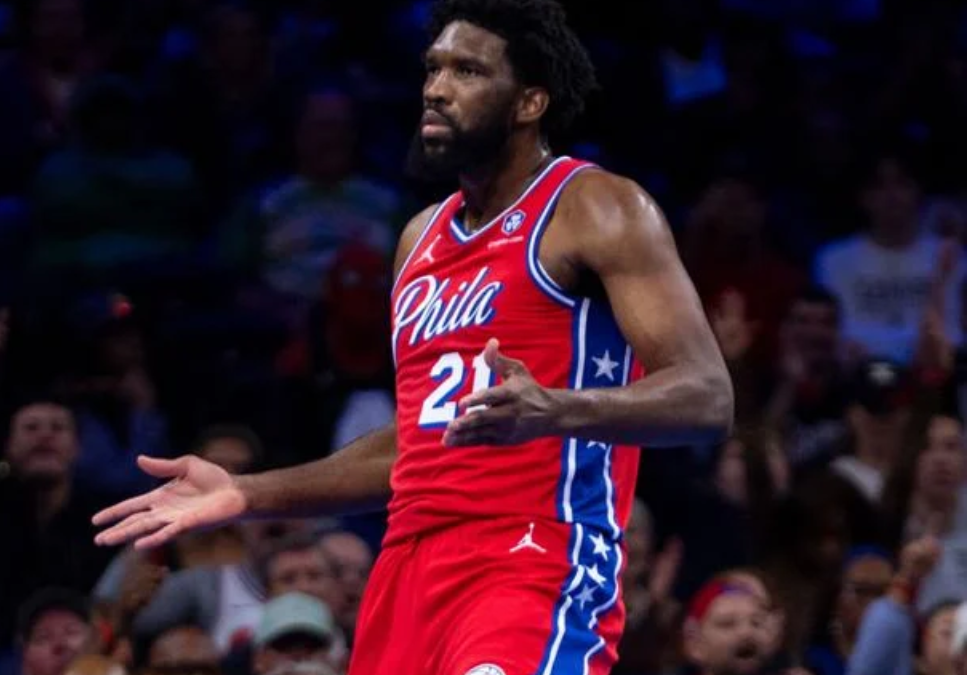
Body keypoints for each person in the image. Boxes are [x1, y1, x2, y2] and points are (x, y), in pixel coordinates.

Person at [94, 0, 732, 672]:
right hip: (406, 571)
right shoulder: (418, 239)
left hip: (530, 557)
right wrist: (247, 492)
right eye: (432, 69)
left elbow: (708, 396)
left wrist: (557, 408)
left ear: (529, 102)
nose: (435, 88)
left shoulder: (595, 205)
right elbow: (413, 443)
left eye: (467, 71)